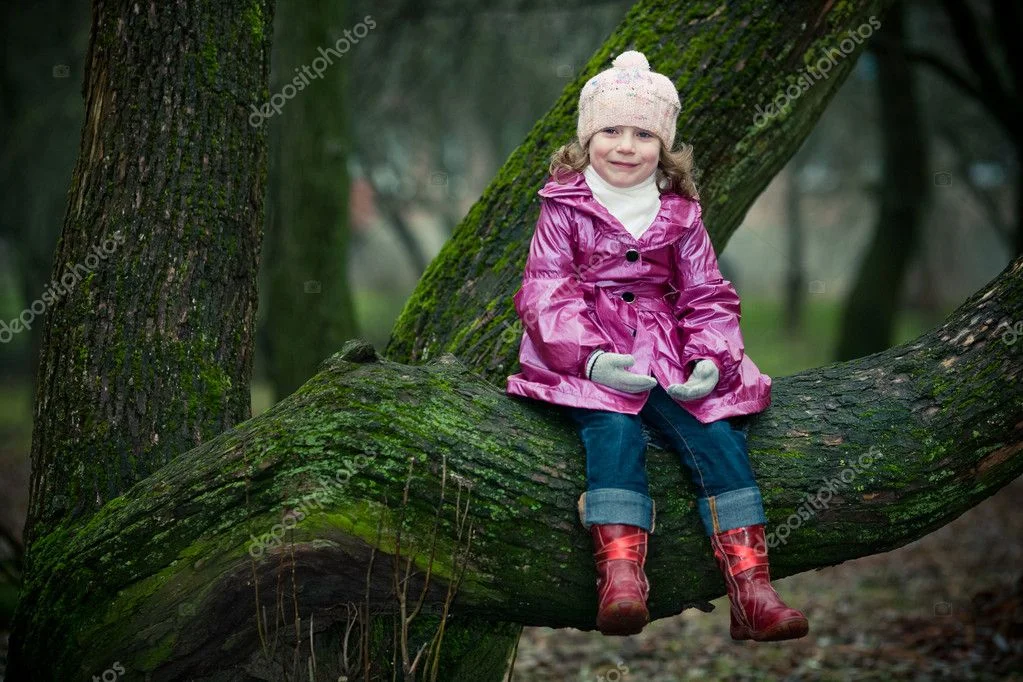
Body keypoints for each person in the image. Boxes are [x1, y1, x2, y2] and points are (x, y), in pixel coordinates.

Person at [505, 50, 808, 641]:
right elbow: (545, 292)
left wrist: (708, 358)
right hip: (588, 355)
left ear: (663, 148)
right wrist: (590, 357)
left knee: (716, 434)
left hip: (665, 353)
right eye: (610, 131)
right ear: (587, 139)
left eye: (643, 134)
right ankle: (621, 575)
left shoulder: (682, 214)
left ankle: (753, 588)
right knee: (612, 430)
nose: (625, 145)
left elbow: (707, 293)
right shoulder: (564, 207)